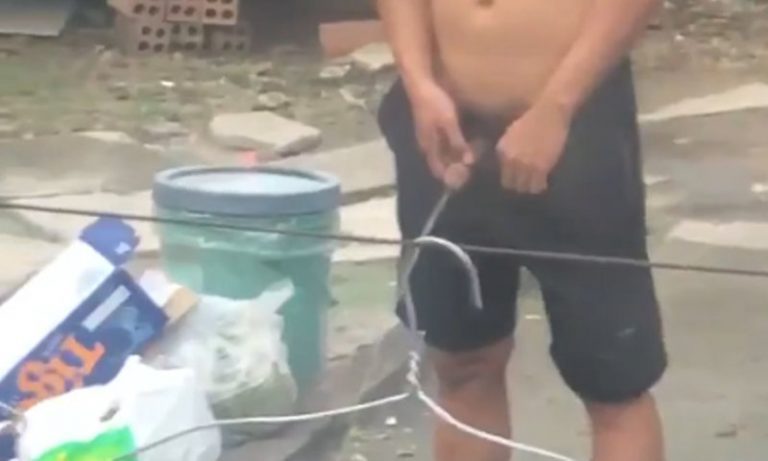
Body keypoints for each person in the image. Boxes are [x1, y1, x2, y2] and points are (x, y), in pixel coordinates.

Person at [375, 0, 668, 460]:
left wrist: (556, 108)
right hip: (446, 124)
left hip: (574, 121)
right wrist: (418, 84)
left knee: (614, 378)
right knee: (461, 360)